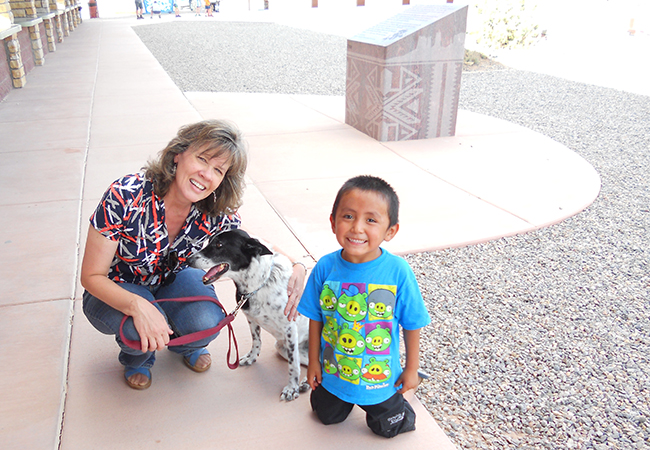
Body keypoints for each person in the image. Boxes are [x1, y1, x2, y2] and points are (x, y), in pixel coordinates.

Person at [80, 120, 307, 390]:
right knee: (135, 329)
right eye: (202, 159)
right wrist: (138, 306)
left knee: (205, 323)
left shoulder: (214, 212)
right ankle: (137, 358)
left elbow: (251, 242)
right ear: (178, 154)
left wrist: (296, 265)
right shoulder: (126, 195)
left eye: (218, 170)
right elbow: (91, 276)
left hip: (168, 281)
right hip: (116, 285)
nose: (206, 175)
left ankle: (184, 344)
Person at [298, 175, 431, 438]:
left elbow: (413, 323)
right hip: (335, 375)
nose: (357, 228)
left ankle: (405, 399)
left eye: (371, 220)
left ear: (390, 231)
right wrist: (313, 362)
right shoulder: (325, 267)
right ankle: (341, 398)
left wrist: (412, 369)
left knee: (389, 428)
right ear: (333, 221)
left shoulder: (398, 272)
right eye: (348, 216)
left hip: (379, 381)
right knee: (324, 416)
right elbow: (316, 318)